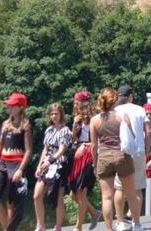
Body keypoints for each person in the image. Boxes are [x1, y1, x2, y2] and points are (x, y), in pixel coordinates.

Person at [90, 88, 143, 231]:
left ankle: (109, 228)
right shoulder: (122, 116)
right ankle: (137, 225)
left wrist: (95, 164)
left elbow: (94, 146)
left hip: (104, 157)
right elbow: (131, 135)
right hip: (121, 155)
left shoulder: (94, 120)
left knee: (107, 197)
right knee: (131, 193)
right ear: (114, 100)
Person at [0, 93, 32, 231]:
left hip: (16, 163)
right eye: (8, 105)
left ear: (21, 107)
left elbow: (28, 151)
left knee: (11, 203)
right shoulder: (5, 124)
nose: (9, 107)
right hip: (3, 162)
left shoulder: (25, 125)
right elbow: (0, 145)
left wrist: (21, 170)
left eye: (12, 105)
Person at [113, 86, 149, 228]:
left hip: (120, 151)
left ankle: (120, 221)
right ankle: (136, 223)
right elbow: (148, 132)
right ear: (131, 96)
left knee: (119, 188)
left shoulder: (115, 110)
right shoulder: (140, 109)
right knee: (137, 187)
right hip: (138, 151)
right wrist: (145, 150)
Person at [33, 103, 71, 231]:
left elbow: (62, 149)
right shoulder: (48, 130)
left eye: (56, 113)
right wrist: (39, 166)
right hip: (46, 162)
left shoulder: (65, 130)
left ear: (61, 114)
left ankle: (58, 226)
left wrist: (51, 161)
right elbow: (45, 149)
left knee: (58, 197)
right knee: (37, 195)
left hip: (59, 163)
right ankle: (40, 225)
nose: (54, 116)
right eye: (52, 114)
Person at [68, 91, 100, 231]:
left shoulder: (94, 118)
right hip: (78, 154)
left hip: (89, 153)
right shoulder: (77, 118)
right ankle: (94, 212)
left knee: (81, 192)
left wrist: (85, 146)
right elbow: (73, 139)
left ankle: (78, 226)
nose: (74, 104)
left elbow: (97, 140)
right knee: (73, 194)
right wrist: (75, 125)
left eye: (77, 102)